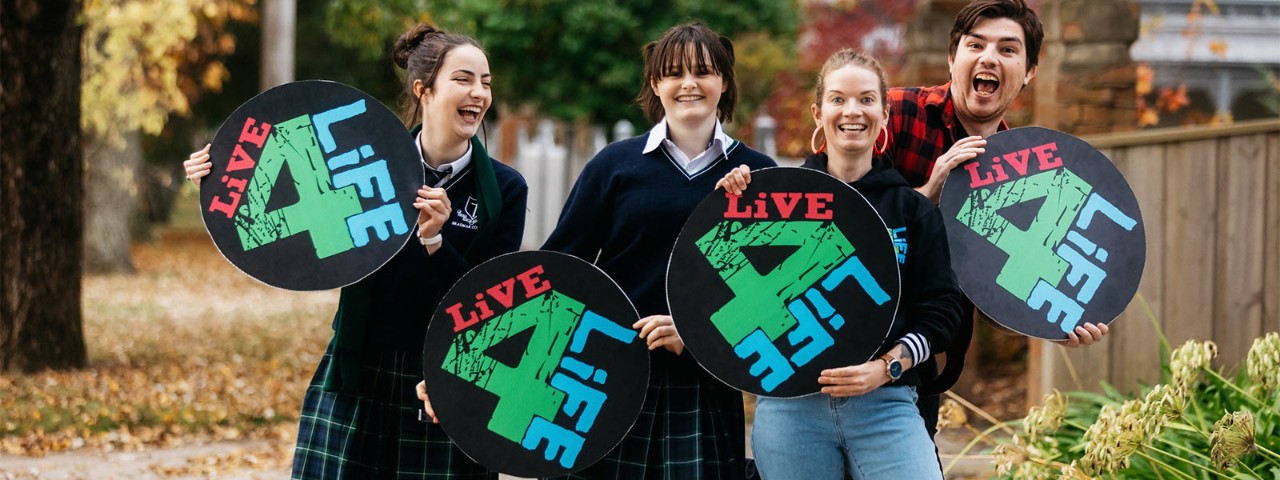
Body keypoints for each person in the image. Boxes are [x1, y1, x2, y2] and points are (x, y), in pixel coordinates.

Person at [184, 23, 527, 479]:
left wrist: (435, 242)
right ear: (424, 90)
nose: (479, 93)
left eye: (485, 82)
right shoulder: (369, 161)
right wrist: (220, 176)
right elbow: (283, 210)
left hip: (449, 378)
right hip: (360, 368)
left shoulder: (505, 189)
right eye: (463, 79)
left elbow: (492, 302)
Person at [539, 22, 775, 479]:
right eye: (674, 73)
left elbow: (773, 299)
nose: (689, 84)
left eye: (703, 71)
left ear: (723, 82)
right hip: (610, 375)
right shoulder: (614, 165)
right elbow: (561, 266)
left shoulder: (758, 175)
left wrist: (698, 335)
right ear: (655, 84)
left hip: (706, 382)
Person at [718, 48, 961, 479]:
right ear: (818, 113)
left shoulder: (912, 210)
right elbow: (716, 282)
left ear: (885, 114)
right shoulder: (776, 203)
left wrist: (887, 367)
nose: (853, 111)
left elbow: (942, 313)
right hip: (791, 405)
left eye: (867, 99)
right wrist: (732, 204)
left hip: (886, 403)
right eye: (838, 99)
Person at [881, 0, 1108, 435]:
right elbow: (831, 216)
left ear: (1029, 72)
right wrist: (927, 194)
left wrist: (1054, 319)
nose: (988, 58)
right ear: (953, 57)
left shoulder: (1026, 172)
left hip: (916, 362)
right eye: (975, 45)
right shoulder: (892, 114)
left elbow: (993, 283)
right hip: (837, 337)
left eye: (1007, 49)